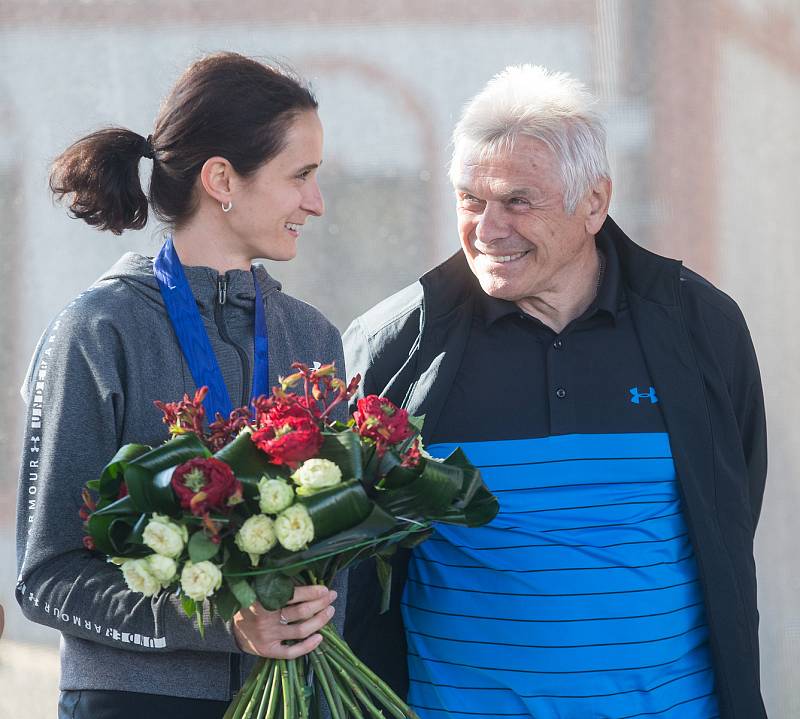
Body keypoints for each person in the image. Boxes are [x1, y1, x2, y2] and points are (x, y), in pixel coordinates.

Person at [343, 65, 767, 718]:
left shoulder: (700, 326)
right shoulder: (394, 346)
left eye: (518, 201)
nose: (487, 229)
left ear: (594, 202)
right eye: (470, 199)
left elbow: (730, 508)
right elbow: (354, 561)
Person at [16, 52, 344, 719]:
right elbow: (45, 580)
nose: (316, 201)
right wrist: (219, 623)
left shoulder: (313, 341)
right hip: (132, 703)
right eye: (300, 175)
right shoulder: (98, 330)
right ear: (222, 179)